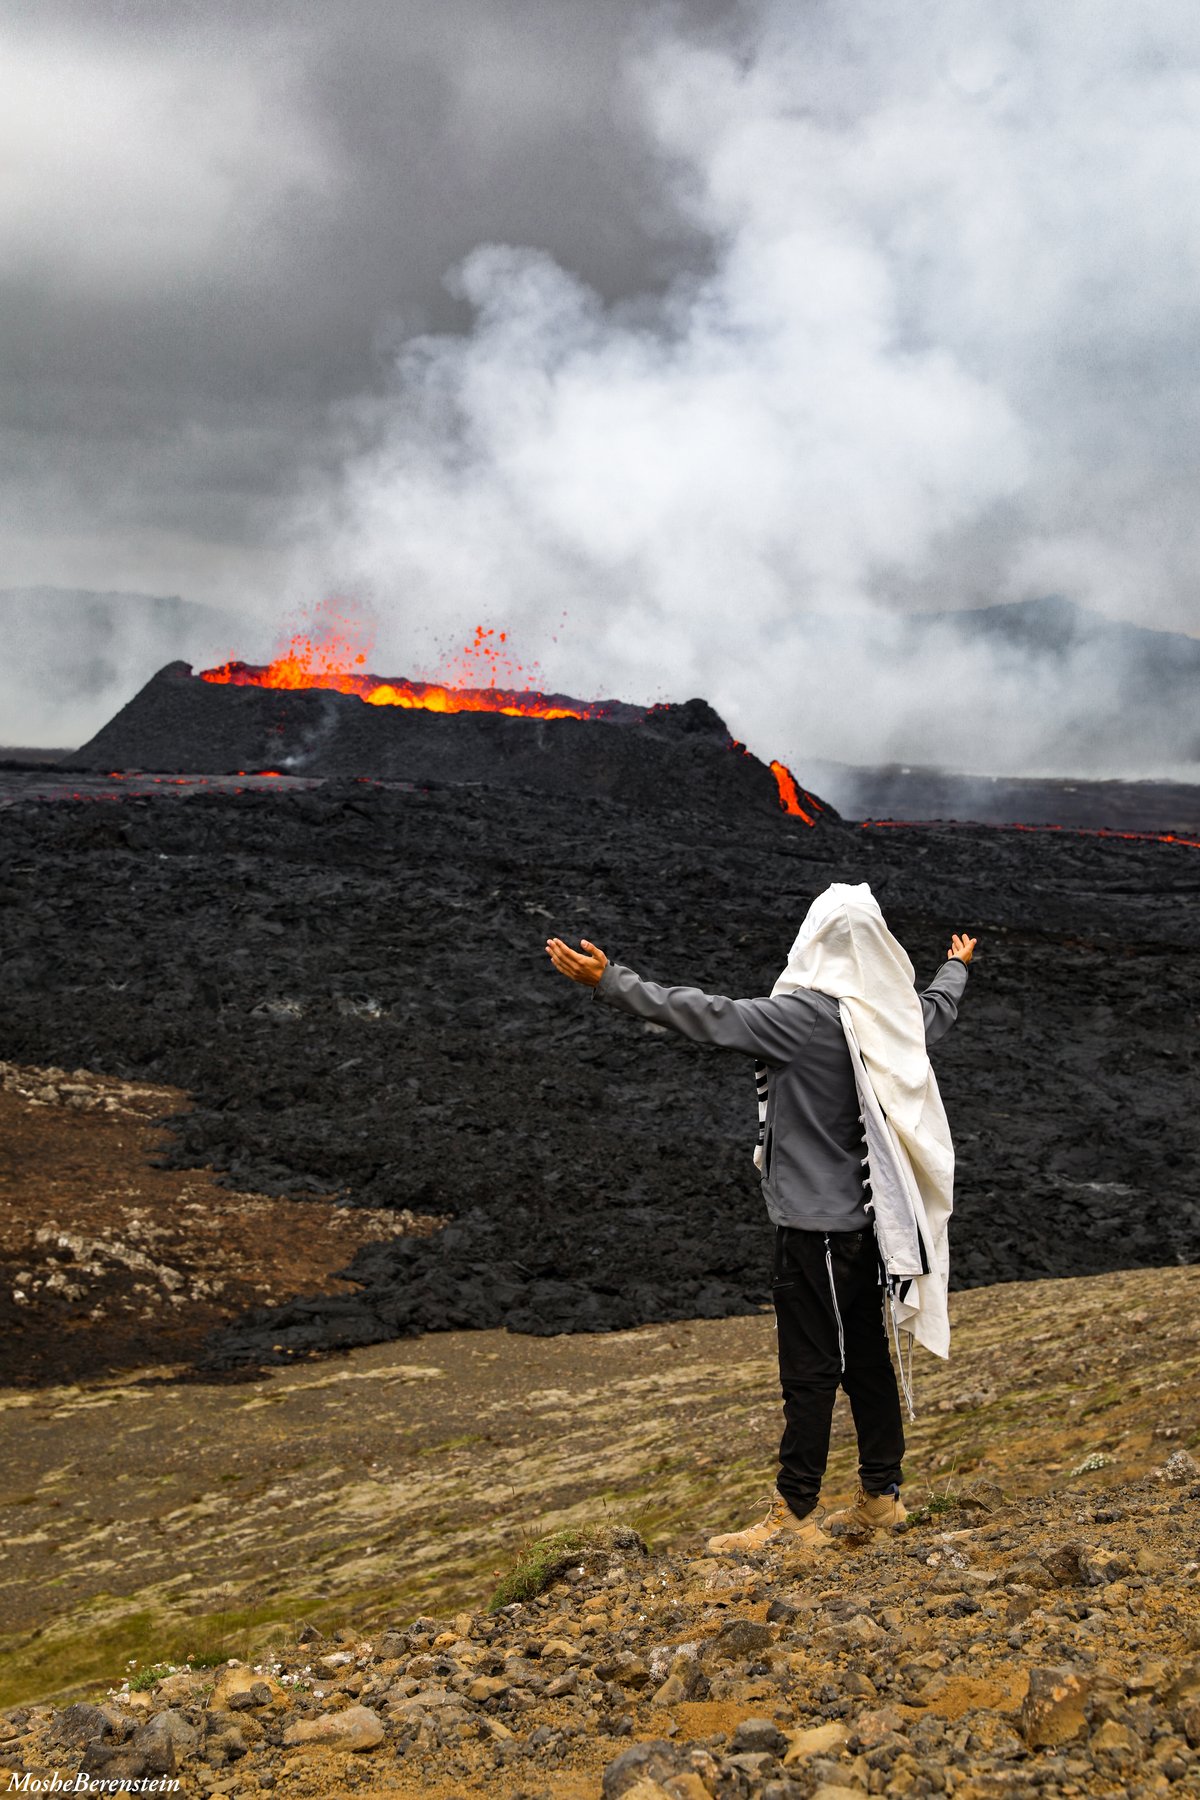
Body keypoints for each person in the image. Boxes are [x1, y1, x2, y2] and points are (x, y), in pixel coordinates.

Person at [545, 882, 976, 1555]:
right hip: (870, 1230)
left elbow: (704, 1014)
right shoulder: (887, 1019)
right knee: (865, 1362)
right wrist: (957, 966)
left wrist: (611, 981)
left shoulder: (797, 1019)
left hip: (818, 1234)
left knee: (810, 1370)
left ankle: (794, 1516)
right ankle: (880, 1499)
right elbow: (935, 1011)